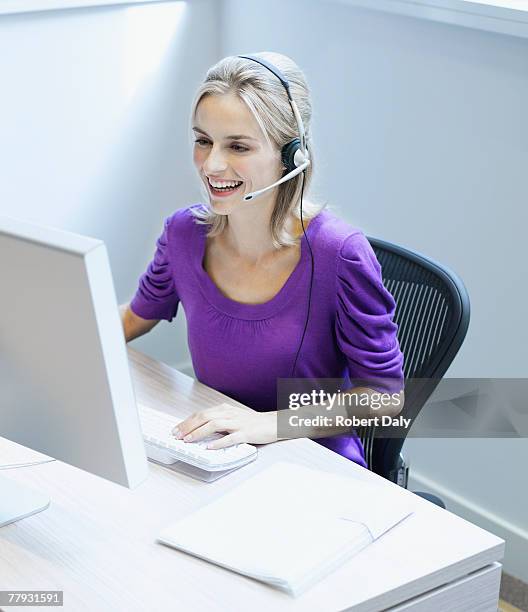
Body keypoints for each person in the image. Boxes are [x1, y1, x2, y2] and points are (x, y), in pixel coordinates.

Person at [120, 52, 404, 469]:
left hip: (314, 464)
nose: (212, 164)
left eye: (238, 146)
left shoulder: (339, 254)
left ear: (292, 156)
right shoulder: (183, 235)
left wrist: (266, 425)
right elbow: (129, 320)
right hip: (215, 454)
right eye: (203, 141)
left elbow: (385, 397)